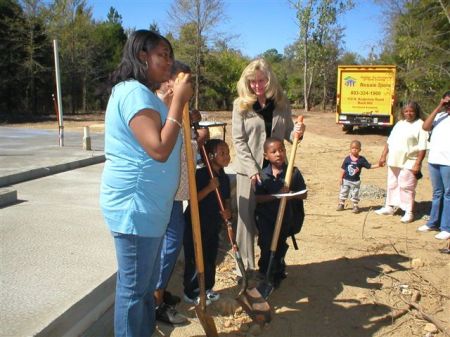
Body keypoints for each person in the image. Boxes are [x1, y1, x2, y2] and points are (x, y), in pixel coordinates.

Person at [100, 30, 192, 337]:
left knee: (143, 290)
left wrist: (171, 104)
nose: (169, 61)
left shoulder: (143, 94)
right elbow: (159, 148)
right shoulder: (131, 93)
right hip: (135, 208)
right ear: (142, 56)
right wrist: (177, 102)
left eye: (169, 55)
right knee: (134, 292)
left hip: (149, 209)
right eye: (162, 55)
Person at [232, 58, 304, 278]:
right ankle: (244, 269)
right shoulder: (240, 105)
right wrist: (253, 169)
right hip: (248, 172)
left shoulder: (281, 103)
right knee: (245, 223)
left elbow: (289, 133)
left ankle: (272, 262)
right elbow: (238, 140)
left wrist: (297, 132)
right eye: (253, 81)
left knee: (274, 218)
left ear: (269, 79)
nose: (257, 85)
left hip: (275, 172)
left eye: (261, 80)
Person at [153, 61, 208, 325]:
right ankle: (155, 301)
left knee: (169, 244)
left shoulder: (181, 106)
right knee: (170, 244)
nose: (189, 88)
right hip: (165, 191)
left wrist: (197, 132)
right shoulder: (158, 105)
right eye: (183, 82)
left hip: (176, 191)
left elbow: (187, 147)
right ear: (168, 81)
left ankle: (159, 292)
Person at [183, 139, 231, 304]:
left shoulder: (223, 176)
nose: (227, 156)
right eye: (222, 153)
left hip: (212, 225)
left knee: (210, 257)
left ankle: (207, 287)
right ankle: (192, 291)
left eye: (228, 152)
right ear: (210, 156)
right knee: (196, 259)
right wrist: (209, 188)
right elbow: (193, 200)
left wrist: (227, 211)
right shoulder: (202, 175)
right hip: (196, 224)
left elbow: (226, 198)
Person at [254, 137, 307, 288]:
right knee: (266, 245)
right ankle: (265, 272)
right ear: (266, 156)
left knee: (279, 245)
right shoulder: (262, 175)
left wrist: (290, 194)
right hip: (266, 218)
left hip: (285, 218)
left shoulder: (293, 173)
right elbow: (258, 198)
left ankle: (277, 271)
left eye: (282, 150)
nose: (279, 154)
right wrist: (277, 195)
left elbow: (304, 194)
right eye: (274, 151)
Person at [375, 101, 428, 223]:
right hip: (394, 159)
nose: (408, 113)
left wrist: (418, 163)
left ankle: (408, 212)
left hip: (410, 160)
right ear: (402, 112)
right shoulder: (399, 124)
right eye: (406, 111)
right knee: (392, 183)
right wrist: (383, 156)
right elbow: (390, 141)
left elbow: (423, 147)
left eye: (411, 111)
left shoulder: (421, 125)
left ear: (416, 112)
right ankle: (389, 206)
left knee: (406, 186)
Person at [417, 91, 450, 240]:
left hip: (448, 162)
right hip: (435, 159)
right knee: (437, 193)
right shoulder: (439, 116)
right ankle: (433, 222)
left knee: (448, 194)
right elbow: (425, 126)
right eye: (447, 103)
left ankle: (446, 227)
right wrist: (439, 106)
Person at [336, 140, 380, 213]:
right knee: (343, 192)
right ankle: (341, 204)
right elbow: (343, 169)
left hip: (355, 181)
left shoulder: (361, 160)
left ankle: (355, 205)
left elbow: (369, 166)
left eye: (357, 148)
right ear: (350, 149)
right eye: (353, 148)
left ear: (360, 150)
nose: (354, 149)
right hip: (346, 180)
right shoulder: (347, 159)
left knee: (355, 193)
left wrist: (379, 165)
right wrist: (340, 178)